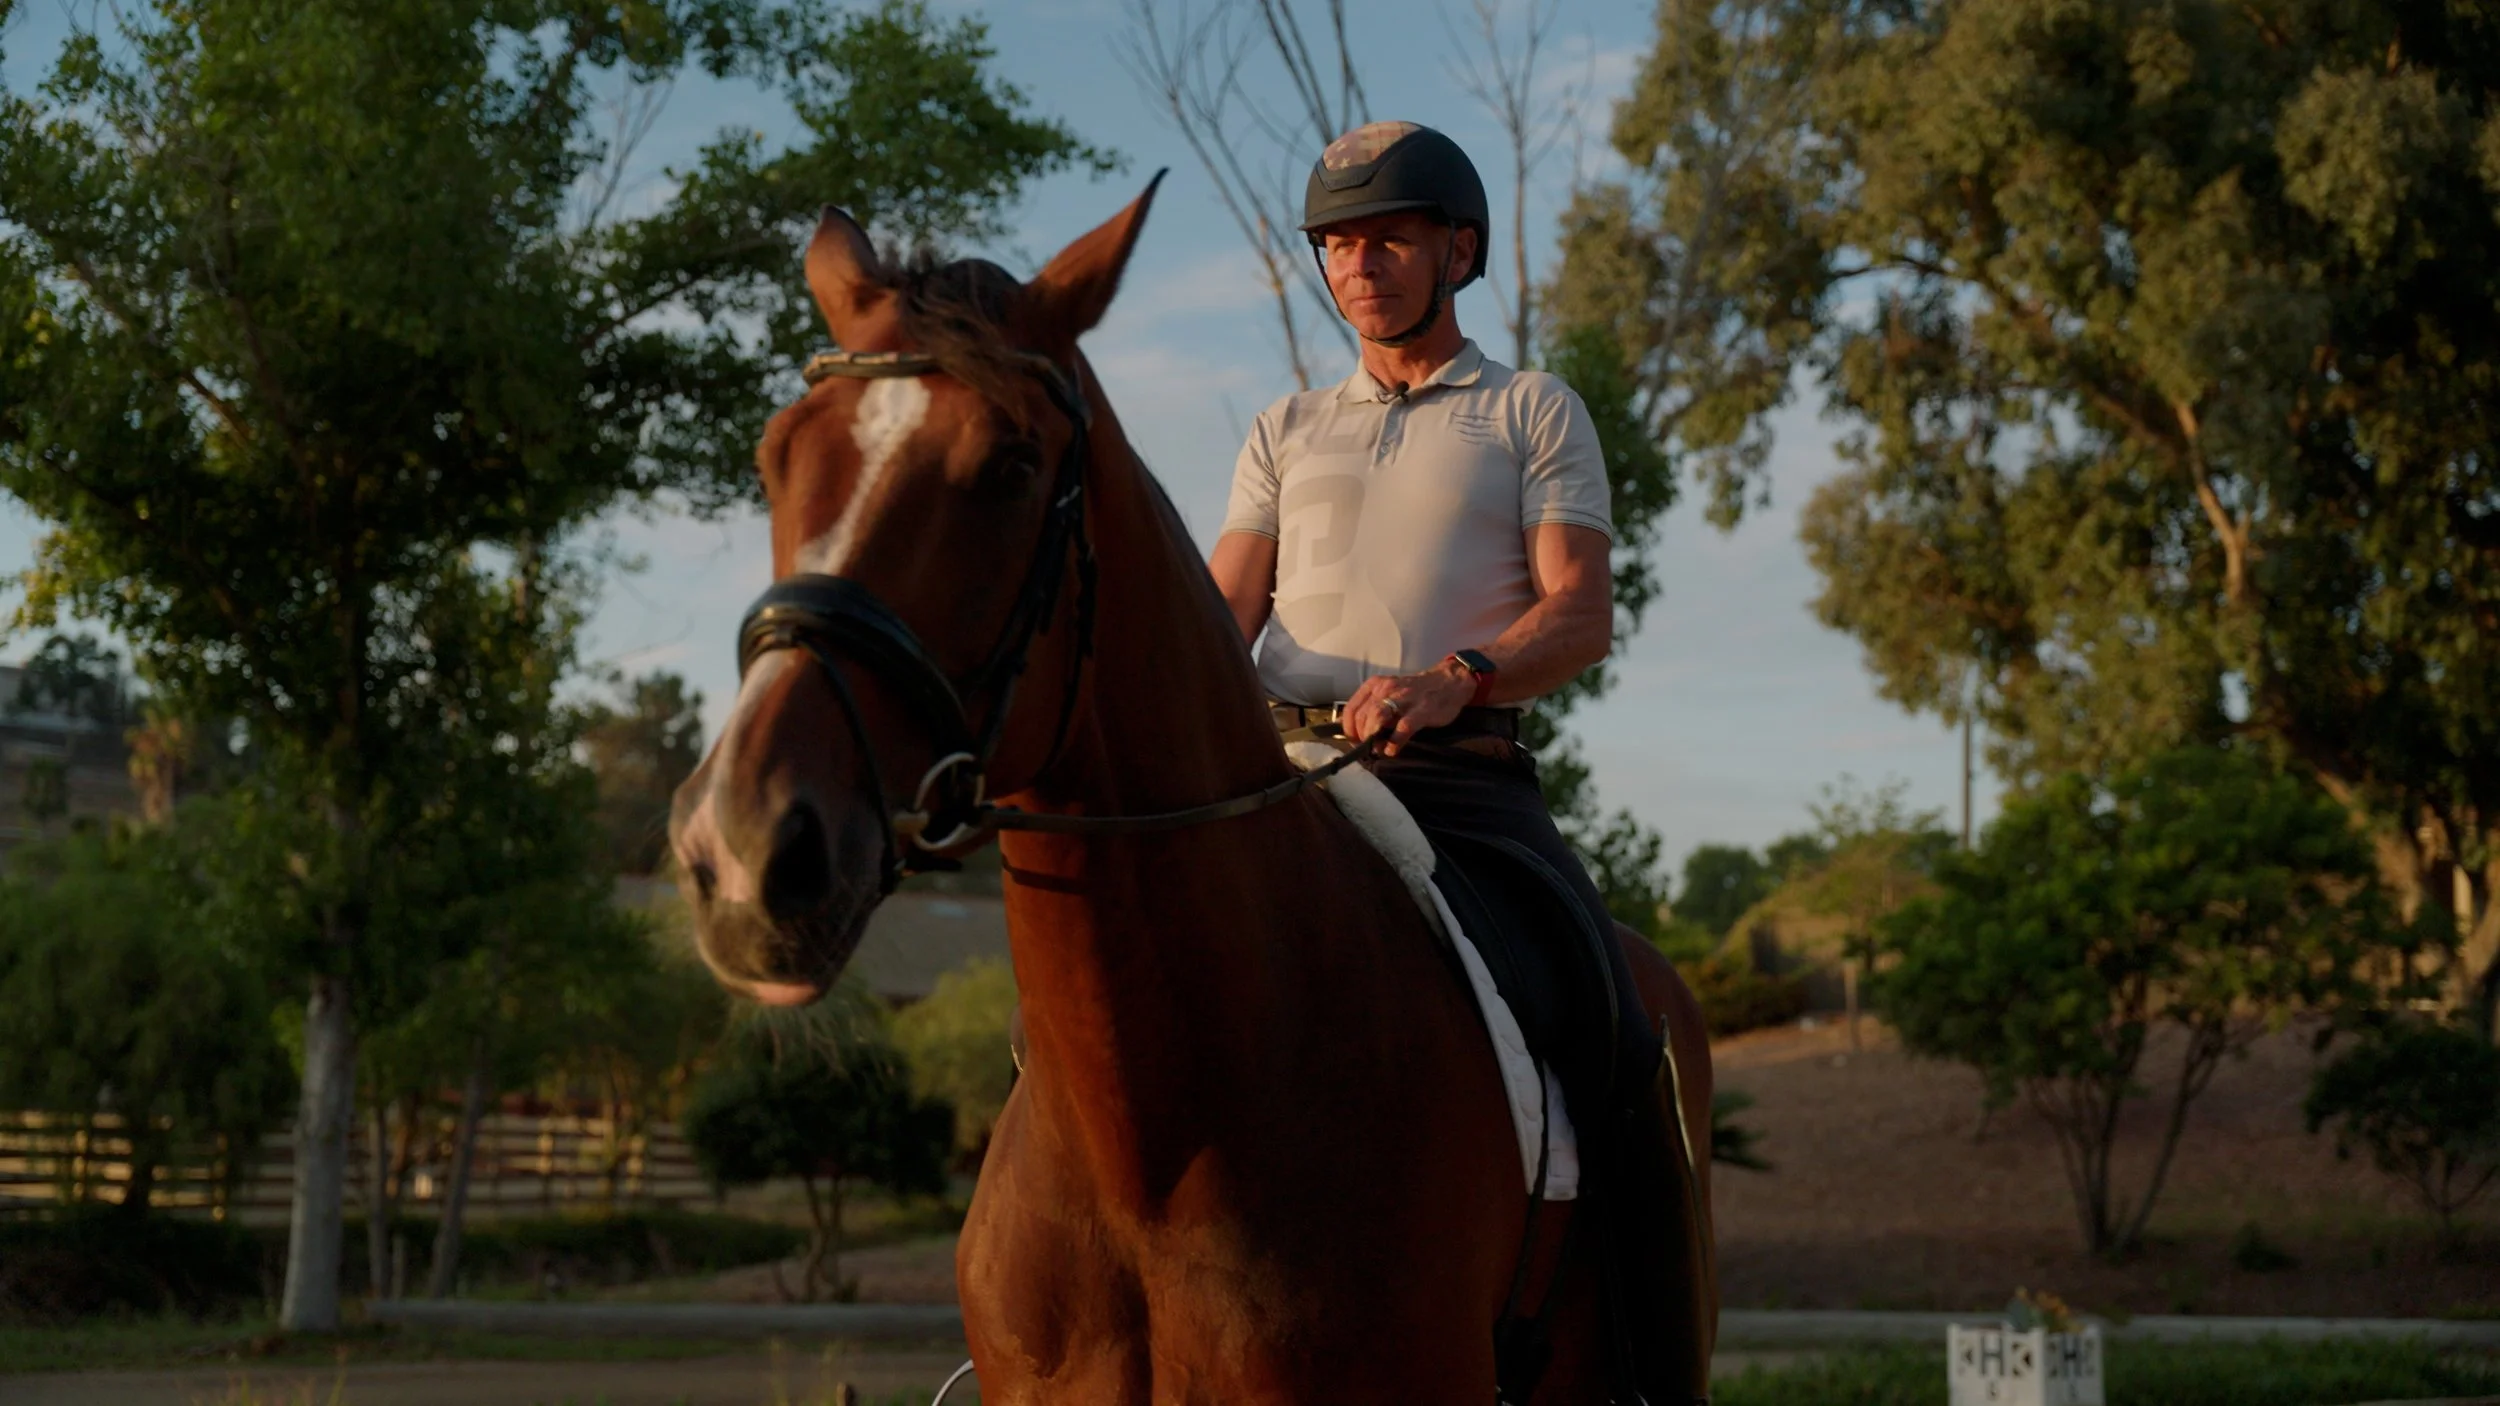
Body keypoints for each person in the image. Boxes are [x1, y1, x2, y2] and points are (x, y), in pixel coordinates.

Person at [1210, 120, 1707, 1404]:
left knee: (1613, 1015)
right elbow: (1223, 621)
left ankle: (1654, 1369)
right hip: (1286, 784)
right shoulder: (1282, 426)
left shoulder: (1531, 410)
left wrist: (1454, 680)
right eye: (1336, 242)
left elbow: (1578, 613)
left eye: (1386, 238)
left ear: (1456, 250)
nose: (1357, 264)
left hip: (1458, 783)